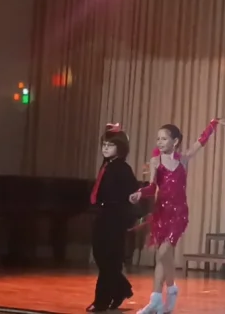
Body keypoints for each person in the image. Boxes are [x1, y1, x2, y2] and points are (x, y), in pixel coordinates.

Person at [129, 118, 224, 314]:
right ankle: (155, 299)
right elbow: (152, 187)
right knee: (161, 256)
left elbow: (200, 142)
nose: (159, 142)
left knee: (164, 252)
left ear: (175, 141)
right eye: (158, 139)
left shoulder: (183, 159)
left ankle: (171, 289)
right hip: (161, 212)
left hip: (178, 213)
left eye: (164, 139)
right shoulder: (156, 161)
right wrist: (140, 193)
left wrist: (212, 125)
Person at [87, 123, 139, 312]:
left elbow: (132, 193)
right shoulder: (107, 166)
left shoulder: (123, 168)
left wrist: (129, 216)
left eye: (110, 145)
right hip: (103, 215)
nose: (105, 148)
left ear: (120, 147)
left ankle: (102, 301)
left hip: (115, 218)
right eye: (104, 144)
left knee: (109, 259)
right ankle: (122, 289)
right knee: (101, 256)